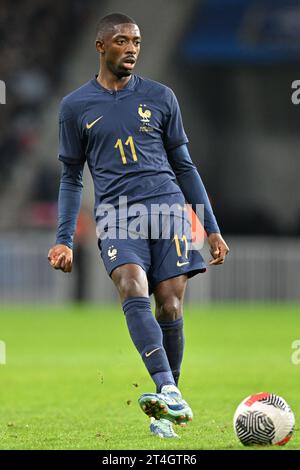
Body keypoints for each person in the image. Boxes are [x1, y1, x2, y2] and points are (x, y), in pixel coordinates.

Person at [48, 13, 229, 439]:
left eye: (137, 42)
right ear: (101, 46)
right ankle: (167, 387)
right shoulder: (75, 107)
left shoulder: (162, 97)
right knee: (132, 286)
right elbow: (72, 177)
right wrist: (63, 239)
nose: (131, 48)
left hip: (167, 210)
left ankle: (167, 406)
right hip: (116, 214)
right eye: (122, 41)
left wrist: (212, 227)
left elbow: (184, 165)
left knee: (169, 305)